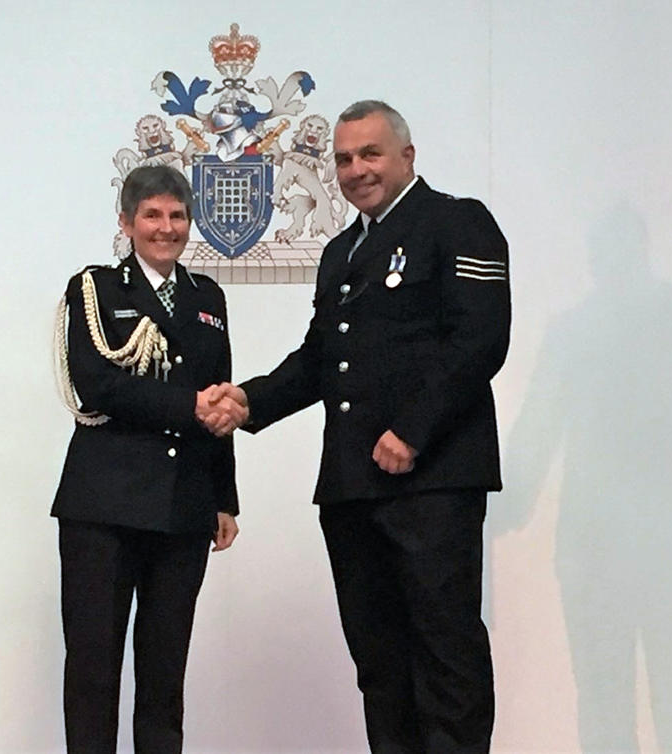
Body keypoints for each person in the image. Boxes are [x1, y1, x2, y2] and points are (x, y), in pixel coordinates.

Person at [213, 100, 510, 753]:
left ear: (407, 155)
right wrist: (250, 402)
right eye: (344, 159)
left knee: (446, 659)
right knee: (381, 668)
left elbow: (479, 341)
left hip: (432, 484)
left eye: (370, 153)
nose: (356, 169)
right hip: (352, 490)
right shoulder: (343, 250)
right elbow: (322, 358)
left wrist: (413, 430)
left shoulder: (457, 222)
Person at [51, 164, 248, 754]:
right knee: (93, 671)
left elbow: (219, 397)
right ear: (126, 222)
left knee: (165, 677)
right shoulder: (95, 290)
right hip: (103, 506)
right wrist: (188, 404)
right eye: (153, 216)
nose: (167, 228)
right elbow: (97, 387)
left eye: (177, 216)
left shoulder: (206, 297)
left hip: (183, 505)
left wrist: (224, 498)